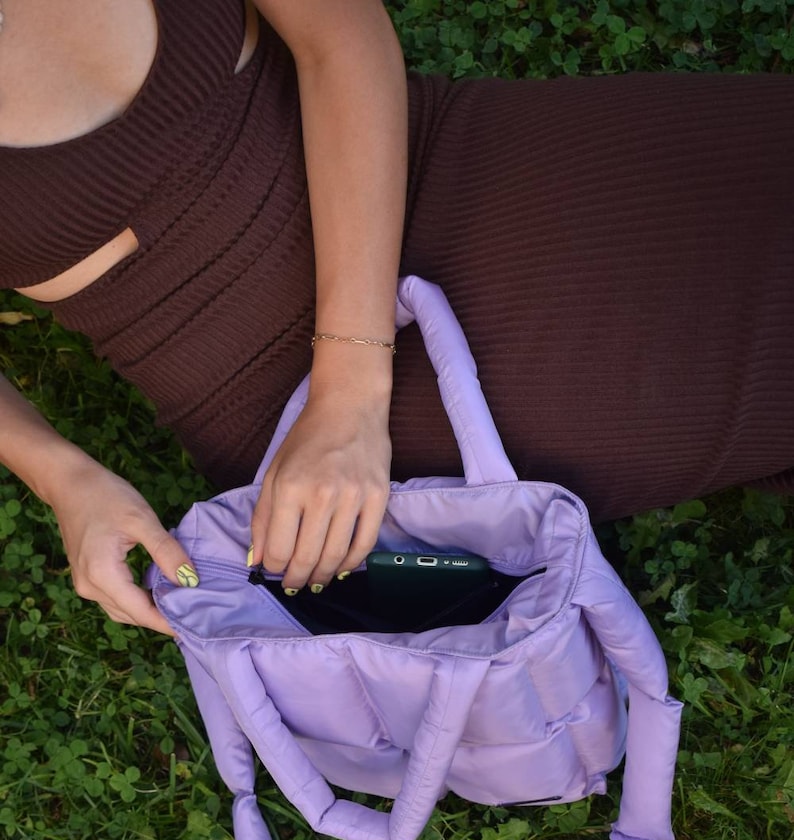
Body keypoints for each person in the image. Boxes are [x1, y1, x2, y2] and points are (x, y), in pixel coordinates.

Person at [1, 0, 792, 637]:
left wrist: (351, 386)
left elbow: (339, 38)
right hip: (275, 397)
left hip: (424, 158)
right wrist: (63, 477)